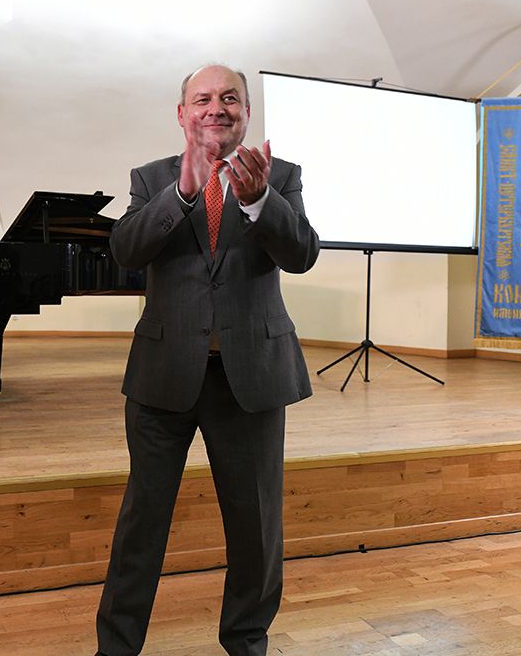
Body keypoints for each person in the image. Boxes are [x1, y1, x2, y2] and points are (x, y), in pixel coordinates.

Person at [96, 64, 320, 656]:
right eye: (202, 99)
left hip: (251, 379)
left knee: (255, 529)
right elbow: (126, 250)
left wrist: (260, 201)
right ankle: (116, 649)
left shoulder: (281, 176)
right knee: (142, 523)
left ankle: (246, 643)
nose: (216, 107)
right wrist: (182, 194)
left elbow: (302, 254)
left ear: (246, 113)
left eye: (230, 98)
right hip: (163, 376)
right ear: (182, 113)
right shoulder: (151, 178)